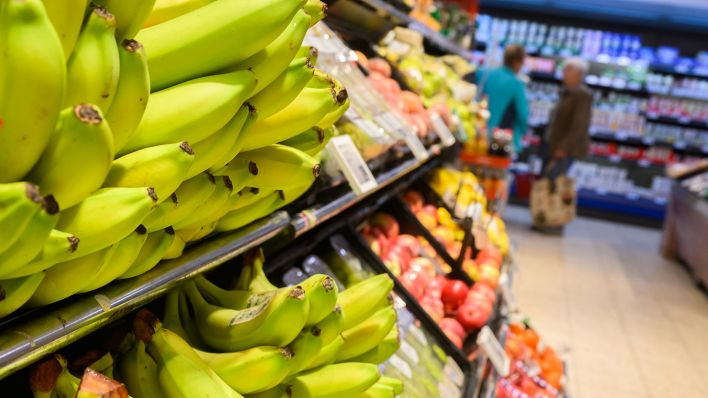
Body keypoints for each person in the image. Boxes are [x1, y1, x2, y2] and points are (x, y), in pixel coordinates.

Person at [473, 44, 529, 154]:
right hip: (499, 141)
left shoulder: (482, 73)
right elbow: (523, 114)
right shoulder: (516, 84)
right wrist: (522, 132)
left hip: (474, 132)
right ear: (518, 63)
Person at [544, 58, 593, 178]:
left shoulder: (582, 95)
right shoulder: (566, 92)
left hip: (565, 150)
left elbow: (579, 125)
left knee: (555, 182)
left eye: (568, 70)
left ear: (578, 74)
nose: (564, 73)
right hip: (556, 145)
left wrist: (563, 148)